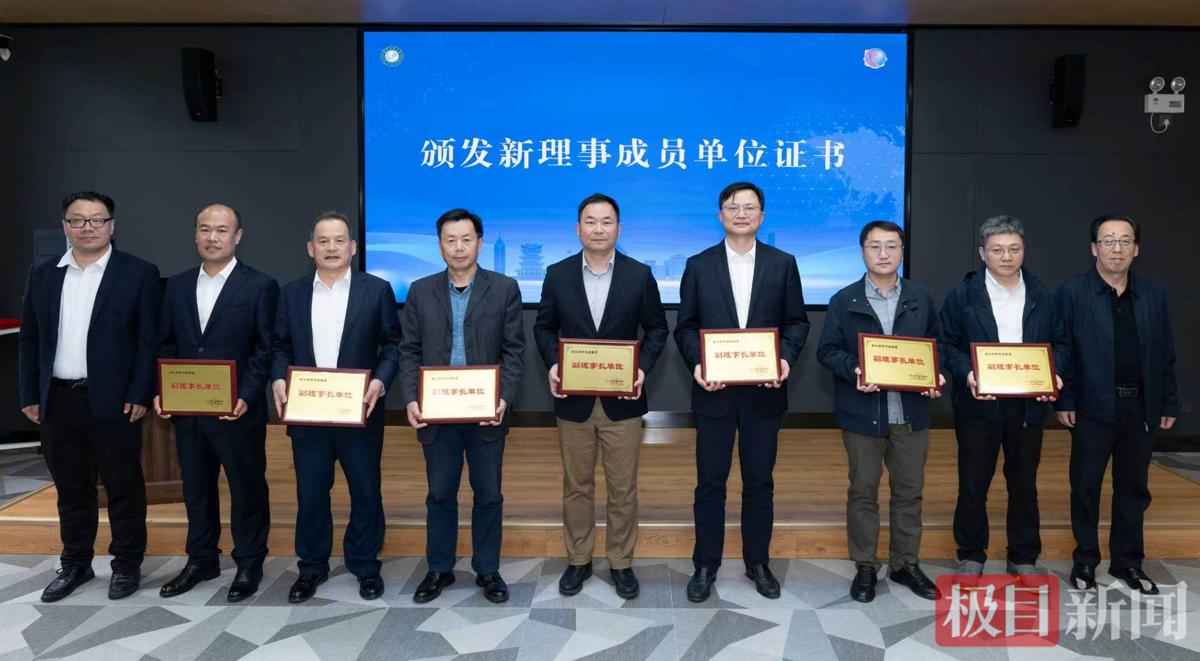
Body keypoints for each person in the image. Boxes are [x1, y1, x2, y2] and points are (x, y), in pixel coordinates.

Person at [18, 191, 160, 602]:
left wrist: (140, 391)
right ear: (65, 226)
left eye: (97, 220)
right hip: (59, 399)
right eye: (77, 220)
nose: (87, 228)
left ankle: (127, 563)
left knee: (124, 486)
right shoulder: (43, 274)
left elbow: (148, 340)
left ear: (112, 226)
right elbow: (31, 338)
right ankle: (76, 563)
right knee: (70, 488)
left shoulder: (138, 273)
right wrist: (30, 393)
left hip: (116, 401)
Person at [673, 182, 810, 603]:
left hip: (763, 394)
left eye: (750, 207)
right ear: (720, 215)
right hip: (713, 393)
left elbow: (797, 322)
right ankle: (705, 564)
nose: (741, 213)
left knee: (760, 482)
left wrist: (784, 360)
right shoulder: (699, 265)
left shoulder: (783, 264)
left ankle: (758, 563)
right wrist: (698, 365)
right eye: (733, 207)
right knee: (709, 483)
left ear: (762, 216)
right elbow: (686, 326)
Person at [533, 193, 669, 599]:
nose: (598, 229)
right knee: (576, 485)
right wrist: (553, 364)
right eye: (590, 221)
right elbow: (543, 328)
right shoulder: (557, 274)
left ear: (619, 228)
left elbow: (657, 329)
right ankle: (578, 559)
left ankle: (621, 562)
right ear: (578, 229)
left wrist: (641, 369)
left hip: (622, 401)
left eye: (606, 221)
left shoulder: (639, 274)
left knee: (622, 487)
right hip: (573, 400)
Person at [270, 211, 400, 603]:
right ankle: (311, 567)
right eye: (323, 241)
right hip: (308, 413)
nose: (331, 247)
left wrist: (380, 381)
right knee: (311, 493)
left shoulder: (376, 290)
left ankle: (365, 564)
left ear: (353, 247)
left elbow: (392, 345)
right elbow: (279, 345)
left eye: (339, 240)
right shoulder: (291, 293)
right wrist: (278, 378)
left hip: (359, 411)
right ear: (311, 248)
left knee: (365, 491)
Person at [399, 208, 525, 604]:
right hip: (437, 414)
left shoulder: (504, 288)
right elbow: (409, 351)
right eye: (450, 240)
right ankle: (439, 568)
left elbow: (514, 351)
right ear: (440, 245)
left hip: (486, 412)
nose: (459, 247)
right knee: (440, 493)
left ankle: (487, 568)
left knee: (488, 493)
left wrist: (503, 398)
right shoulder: (420, 291)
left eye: (466, 239)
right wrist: (411, 397)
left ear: (480, 243)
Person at [816, 220, 944, 603]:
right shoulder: (844, 299)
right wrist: (855, 369)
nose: (883, 253)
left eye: (891, 246)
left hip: (910, 413)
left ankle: (905, 563)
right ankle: (866, 566)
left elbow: (939, 347)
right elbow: (827, 351)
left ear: (902, 251)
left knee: (910, 493)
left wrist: (937, 374)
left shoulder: (921, 297)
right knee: (863, 492)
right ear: (863, 252)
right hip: (863, 415)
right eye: (875, 246)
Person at [155, 204, 278, 602]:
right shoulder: (175, 286)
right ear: (195, 235)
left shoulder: (260, 286)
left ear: (238, 236)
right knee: (196, 488)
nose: (212, 237)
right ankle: (201, 558)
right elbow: (165, 344)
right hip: (188, 411)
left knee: (246, 487)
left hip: (237, 412)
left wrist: (246, 395)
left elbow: (264, 349)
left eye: (222, 230)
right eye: (205, 229)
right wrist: (161, 389)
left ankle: (249, 561)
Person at [938, 215, 1066, 582]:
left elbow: (1061, 342)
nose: (1006, 257)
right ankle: (971, 553)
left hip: (1028, 405)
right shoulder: (963, 295)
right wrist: (967, 372)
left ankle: (1023, 555)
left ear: (1024, 251)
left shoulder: (1043, 295)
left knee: (1024, 483)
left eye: (1013, 249)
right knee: (973, 482)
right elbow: (946, 344)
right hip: (978, 404)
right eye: (997, 250)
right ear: (983, 253)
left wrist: (1055, 372)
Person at [1055, 214, 1178, 595]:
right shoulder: (1073, 293)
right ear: (1094, 248)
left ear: (1136, 249)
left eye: (1125, 241)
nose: (1117, 248)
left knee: (1134, 488)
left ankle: (1128, 562)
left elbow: (1166, 352)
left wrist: (1168, 401)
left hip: (1140, 406)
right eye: (1108, 241)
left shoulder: (1153, 294)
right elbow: (1063, 351)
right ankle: (1085, 560)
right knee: (1085, 485)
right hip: (1092, 406)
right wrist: (1065, 398)